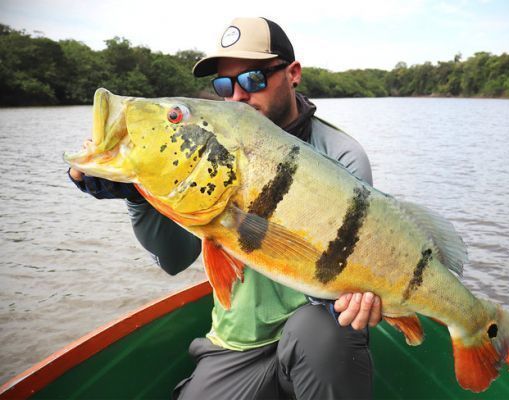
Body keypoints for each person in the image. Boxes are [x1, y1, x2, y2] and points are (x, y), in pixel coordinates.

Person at [69, 17, 381, 399]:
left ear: (293, 73)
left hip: (317, 332)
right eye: (223, 85)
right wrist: (140, 195)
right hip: (237, 343)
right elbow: (174, 258)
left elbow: (357, 267)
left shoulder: (341, 155)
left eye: (253, 79)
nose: (237, 96)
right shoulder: (212, 152)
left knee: (320, 335)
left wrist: (357, 298)